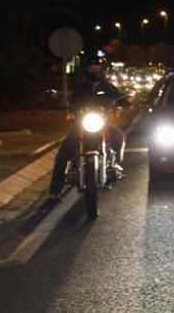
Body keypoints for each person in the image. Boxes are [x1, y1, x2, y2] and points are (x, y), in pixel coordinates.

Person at [46, 55, 130, 203]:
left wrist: (120, 107)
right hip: (82, 126)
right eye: (92, 67)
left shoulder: (109, 87)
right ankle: (55, 190)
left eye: (97, 67)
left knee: (119, 137)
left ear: (102, 69)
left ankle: (115, 164)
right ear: (86, 69)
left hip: (102, 124)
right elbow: (71, 105)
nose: (95, 69)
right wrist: (69, 110)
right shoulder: (80, 88)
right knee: (63, 153)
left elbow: (124, 102)